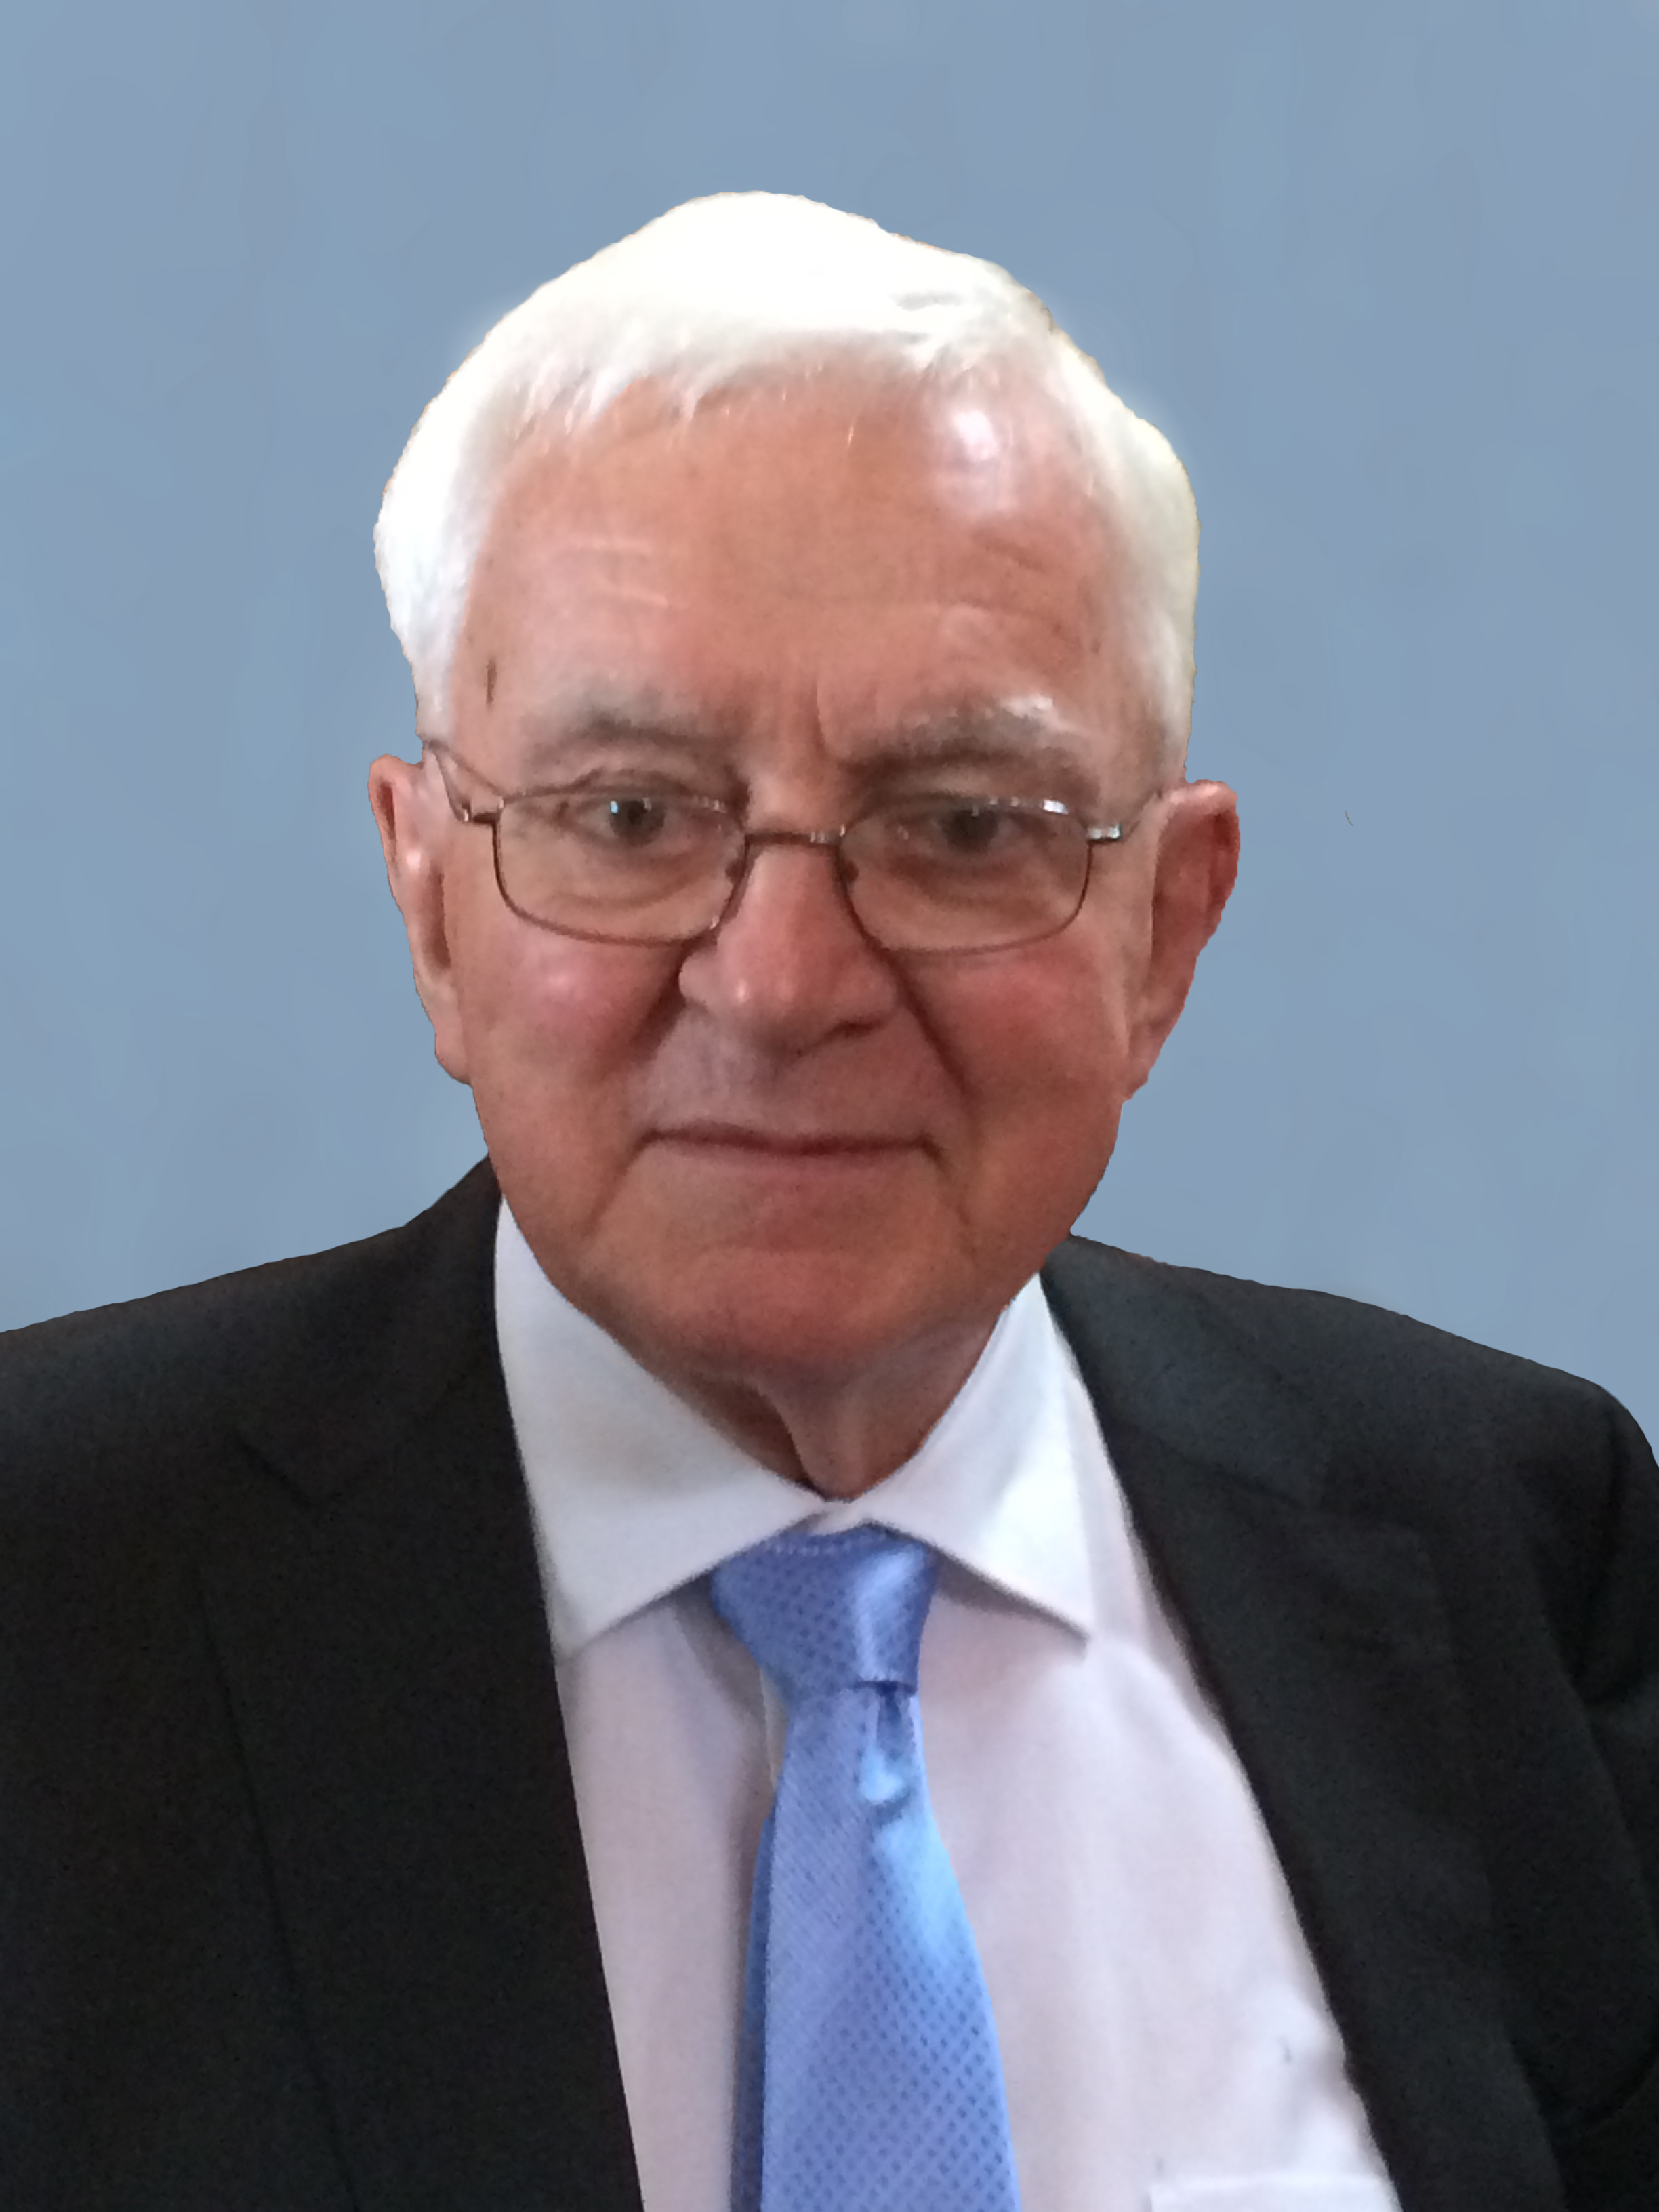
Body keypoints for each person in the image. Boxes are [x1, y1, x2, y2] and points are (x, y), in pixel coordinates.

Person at [0, 194, 1654, 2212]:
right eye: (628, 815)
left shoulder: (1506, 1545)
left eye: (959, 827)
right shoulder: (49, 1604)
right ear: (430, 903)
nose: (782, 985)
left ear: (1166, 928)